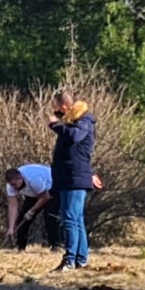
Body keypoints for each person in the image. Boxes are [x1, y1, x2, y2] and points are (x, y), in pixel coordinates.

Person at [47, 96, 101, 270]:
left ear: (65, 106)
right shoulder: (74, 122)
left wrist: (55, 124)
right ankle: (81, 259)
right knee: (76, 220)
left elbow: (74, 136)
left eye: (57, 107)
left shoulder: (84, 121)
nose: (56, 111)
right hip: (68, 177)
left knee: (70, 219)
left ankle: (70, 260)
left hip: (74, 178)